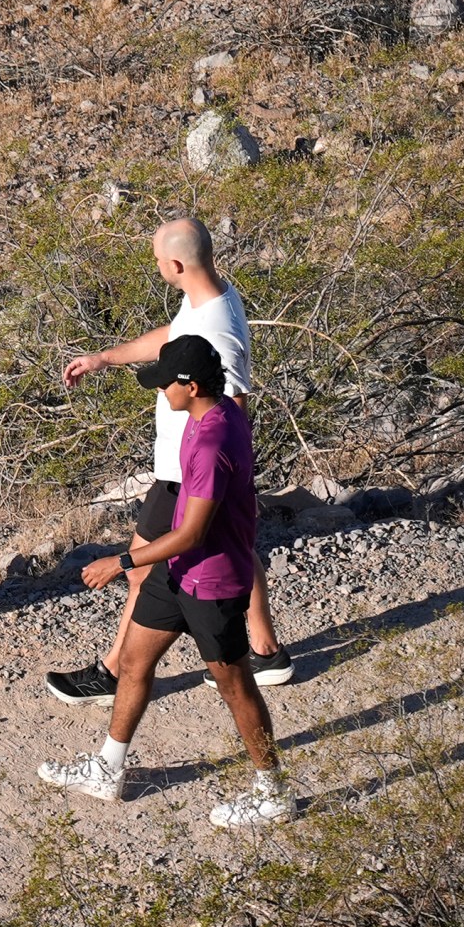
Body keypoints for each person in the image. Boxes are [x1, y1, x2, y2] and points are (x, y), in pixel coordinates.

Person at [38, 336, 293, 829]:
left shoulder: (216, 438)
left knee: (235, 685)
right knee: (133, 662)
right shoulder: (209, 413)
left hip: (212, 580)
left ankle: (273, 791)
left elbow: (193, 533)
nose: (160, 394)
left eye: (164, 386)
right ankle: (107, 770)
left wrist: (122, 561)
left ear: (191, 385)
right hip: (176, 572)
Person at [47, 217, 291, 706]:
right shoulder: (209, 297)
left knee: (139, 570)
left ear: (176, 265)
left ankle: (114, 672)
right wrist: (105, 358)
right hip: (188, 467)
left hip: (188, 471)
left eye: (158, 260)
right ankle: (264, 650)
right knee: (234, 542)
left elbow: (235, 403)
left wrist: (234, 482)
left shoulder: (219, 332)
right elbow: (175, 336)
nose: (157, 266)